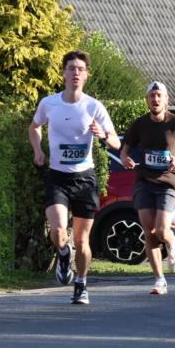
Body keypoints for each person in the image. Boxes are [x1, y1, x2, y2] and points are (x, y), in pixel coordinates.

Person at [29, 51, 119, 304]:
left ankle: (81, 284)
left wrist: (103, 134)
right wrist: (38, 151)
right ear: (64, 73)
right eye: (71, 68)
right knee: (58, 231)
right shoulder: (49, 103)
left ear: (86, 75)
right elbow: (34, 127)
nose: (76, 73)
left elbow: (115, 141)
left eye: (80, 69)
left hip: (85, 180)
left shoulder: (94, 106)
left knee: (81, 239)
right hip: (57, 177)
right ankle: (62, 252)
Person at [120, 81, 175, 295]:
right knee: (150, 233)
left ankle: (172, 243)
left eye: (159, 95)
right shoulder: (140, 124)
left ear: (166, 99)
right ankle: (160, 279)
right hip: (144, 181)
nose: (156, 99)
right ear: (147, 100)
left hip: (167, 182)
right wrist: (124, 158)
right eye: (152, 96)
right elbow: (125, 149)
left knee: (161, 230)